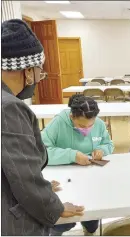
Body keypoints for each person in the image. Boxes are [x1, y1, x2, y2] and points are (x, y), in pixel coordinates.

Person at [1, 19, 83, 236]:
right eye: (39, 70)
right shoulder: (8, 107)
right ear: (27, 70)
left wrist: (43, 186)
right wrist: (53, 206)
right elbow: (23, 174)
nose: (39, 77)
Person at [41, 94, 114, 235]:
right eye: (81, 125)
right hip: (64, 180)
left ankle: (90, 228)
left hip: (91, 178)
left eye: (90, 125)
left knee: (92, 214)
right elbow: (42, 152)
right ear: (71, 117)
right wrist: (71, 155)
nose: (86, 129)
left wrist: (101, 150)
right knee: (62, 221)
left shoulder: (98, 123)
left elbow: (108, 144)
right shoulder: (58, 123)